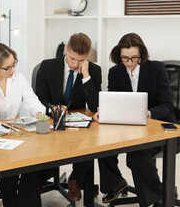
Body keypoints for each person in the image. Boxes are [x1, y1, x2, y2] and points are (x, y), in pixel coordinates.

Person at [92, 33, 178, 207]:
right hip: (128, 128)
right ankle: (115, 183)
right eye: (125, 58)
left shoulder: (156, 69)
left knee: (136, 156)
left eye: (134, 58)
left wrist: (148, 113)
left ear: (141, 55)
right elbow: (113, 99)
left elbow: (167, 105)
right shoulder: (115, 72)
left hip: (158, 128)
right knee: (101, 144)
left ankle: (159, 197)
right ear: (119, 56)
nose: (129, 62)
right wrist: (103, 111)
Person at [0, 43, 46, 207]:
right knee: (9, 171)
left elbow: (31, 100)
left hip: (15, 134)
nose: (12, 70)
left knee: (32, 165)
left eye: (14, 65)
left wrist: (39, 113)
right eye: (7, 68)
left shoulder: (18, 78)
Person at [35, 32, 102, 201]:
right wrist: (52, 108)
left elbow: (95, 106)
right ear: (65, 49)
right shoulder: (47, 66)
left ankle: (76, 180)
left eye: (81, 60)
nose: (75, 64)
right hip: (50, 119)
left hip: (76, 122)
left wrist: (86, 76)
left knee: (89, 143)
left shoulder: (94, 70)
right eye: (72, 59)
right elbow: (39, 98)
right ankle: (40, 178)